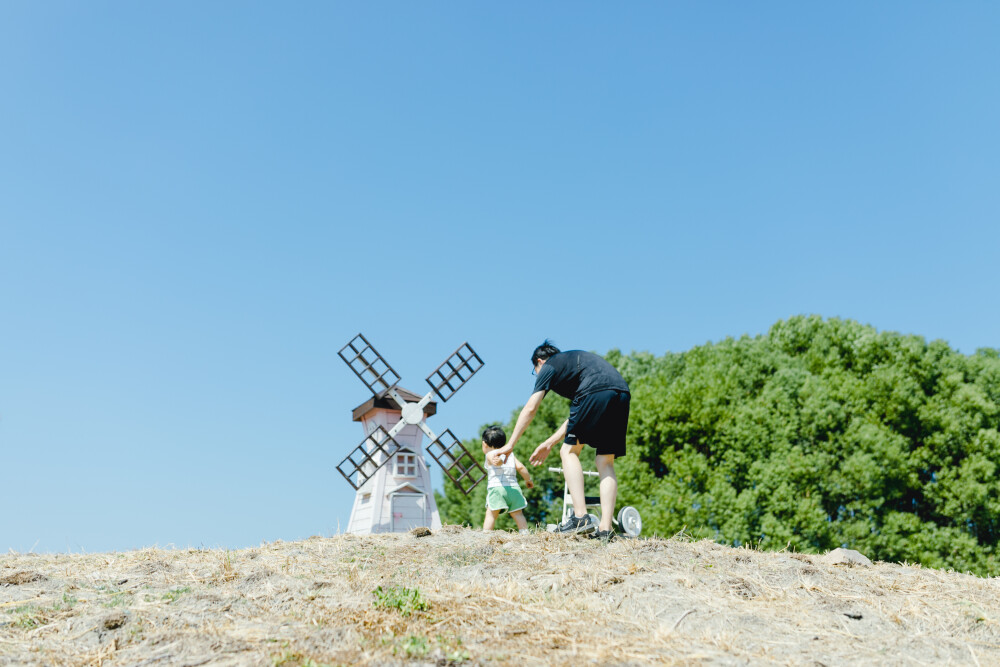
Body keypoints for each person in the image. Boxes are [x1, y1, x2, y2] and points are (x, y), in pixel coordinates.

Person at [486, 341, 630, 539]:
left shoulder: (549, 366)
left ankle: (580, 518)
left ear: (539, 362)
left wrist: (510, 444)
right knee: (604, 461)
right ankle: (605, 529)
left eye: (535, 371)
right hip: (621, 393)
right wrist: (549, 443)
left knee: (568, 452)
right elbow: (576, 416)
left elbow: (530, 408)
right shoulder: (575, 365)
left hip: (595, 393)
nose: (537, 376)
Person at [480, 425, 534, 533]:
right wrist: (528, 480)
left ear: (484, 444)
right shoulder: (510, 455)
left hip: (497, 489)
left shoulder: (490, 454)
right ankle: (524, 534)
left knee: (491, 514)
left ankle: (486, 535)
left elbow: (494, 459)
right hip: (514, 489)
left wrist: (499, 461)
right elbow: (521, 467)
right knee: (518, 514)